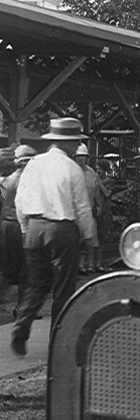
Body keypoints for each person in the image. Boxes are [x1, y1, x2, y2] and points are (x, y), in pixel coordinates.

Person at [11, 118, 96, 356]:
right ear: (68, 143)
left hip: (34, 228)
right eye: (76, 140)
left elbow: (20, 201)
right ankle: (58, 342)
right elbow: (81, 207)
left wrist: (26, 228)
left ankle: (21, 326)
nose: (78, 144)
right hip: (61, 230)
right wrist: (89, 235)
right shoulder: (73, 170)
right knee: (63, 288)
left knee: (36, 284)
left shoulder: (34, 164)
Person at [0, 145, 36, 319]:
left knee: (7, 271)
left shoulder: (6, 181)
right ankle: (21, 308)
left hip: (6, 227)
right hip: (20, 228)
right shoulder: (28, 181)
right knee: (26, 270)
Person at [74, 144, 102, 274]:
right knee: (78, 240)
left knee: (91, 239)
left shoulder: (91, 172)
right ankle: (79, 265)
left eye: (83, 157)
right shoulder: (72, 170)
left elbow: (96, 190)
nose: (81, 159)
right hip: (75, 211)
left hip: (89, 209)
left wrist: (99, 205)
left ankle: (90, 264)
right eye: (78, 156)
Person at [94, 158, 114, 271]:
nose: (98, 172)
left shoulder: (109, 181)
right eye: (96, 169)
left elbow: (107, 194)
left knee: (101, 238)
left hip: (105, 211)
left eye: (100, 169)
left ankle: (98, 263)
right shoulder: (95, 179)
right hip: (95, 210)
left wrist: (99, 182)